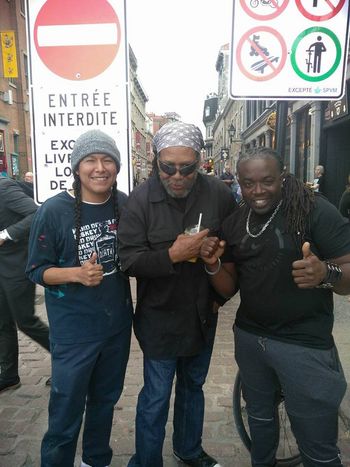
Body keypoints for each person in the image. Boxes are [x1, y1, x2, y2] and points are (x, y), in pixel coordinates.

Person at [200, 147, 350, 467]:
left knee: (317, 443)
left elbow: (347, 274)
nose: (258, 191)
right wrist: (212, 265)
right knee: (260, 421)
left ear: (282, 177)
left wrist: (326, 273)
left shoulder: (314, 211)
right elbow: (229, 287)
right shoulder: (236, 220)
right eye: (248, 183)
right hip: (252, 340)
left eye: (267, 181)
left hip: (304, 345)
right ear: (238, 182)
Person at [118, 121, 236, 467]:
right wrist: (174, 254)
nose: (178, 175)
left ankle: (189, 448)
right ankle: (146, 460)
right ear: (156, 161)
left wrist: (219, 298)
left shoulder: (219, 194)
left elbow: (235, 253)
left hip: (203, 312)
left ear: (200, 161)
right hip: (159, 315)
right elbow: (128, 261)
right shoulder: (139, 201)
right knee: (155, 395)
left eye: (188, 167)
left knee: (192, 388)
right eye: (168, 167)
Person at [26, 130, 133, 467]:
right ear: (77, 167)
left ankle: (95, 460)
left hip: (116, 327)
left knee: (104, 401)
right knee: (66, 409)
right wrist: (76, 274)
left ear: (116, 167)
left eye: (107, 161)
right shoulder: (54, 211)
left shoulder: (125, 203)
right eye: (91, 160)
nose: (99, 168)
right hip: (73, 333)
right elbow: (36, 270)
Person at [0, 176, 50, 393]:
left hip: (16, 265)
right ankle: (9, 375)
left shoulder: (4, 188)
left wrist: (5, 235)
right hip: (1, 265)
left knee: (25, 320)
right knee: (2, 323)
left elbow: (37, 214)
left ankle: (67, 361)